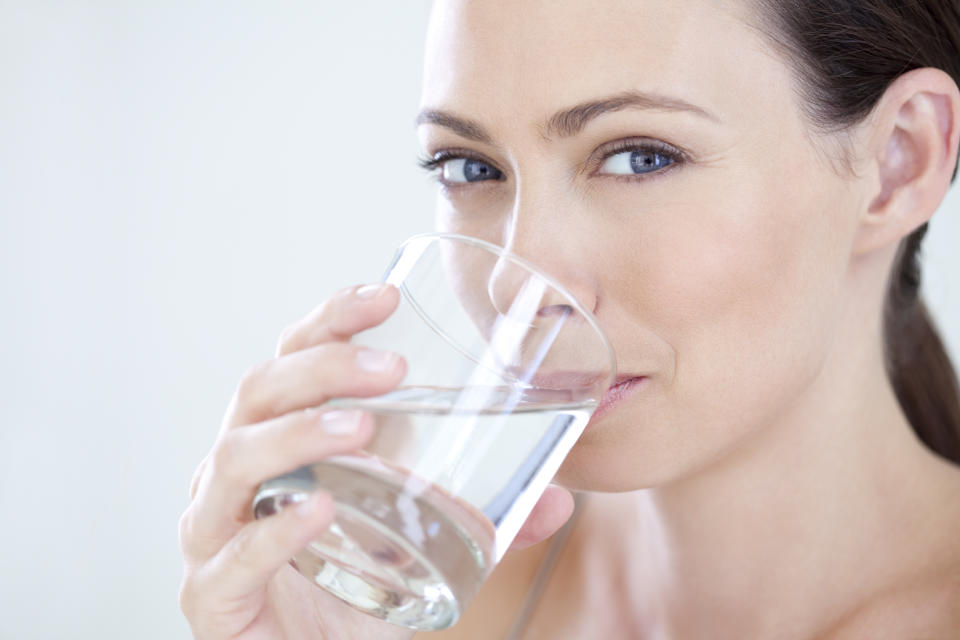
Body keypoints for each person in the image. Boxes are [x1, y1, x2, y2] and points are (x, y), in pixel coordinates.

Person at [178, 0, 960, 637]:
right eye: (470, 167)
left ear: (900, 160)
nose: (524, 286)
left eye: (640, 156)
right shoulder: (409, 606)